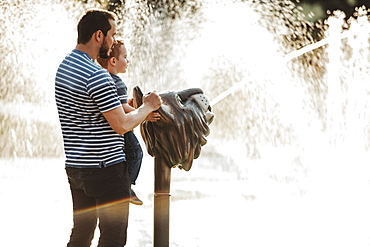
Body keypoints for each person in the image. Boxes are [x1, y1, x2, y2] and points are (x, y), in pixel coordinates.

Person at [55, 9, 162, 247]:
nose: (114, 40)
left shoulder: (64, 68)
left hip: (76, 168)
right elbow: (121, 125)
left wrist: (128, 108)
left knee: (81, 235)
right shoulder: (97, 75)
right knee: (113, 238)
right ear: (98, 36)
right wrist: (147, 107)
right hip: (106, 170)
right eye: (112, 35)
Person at [97, 40, 160, 205]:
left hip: (107, 134)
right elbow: (121, 107)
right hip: (121, 130)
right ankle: (126, 187)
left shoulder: (101, 78)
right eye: (125, 57)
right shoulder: (115, 81)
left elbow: (120, 105)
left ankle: (123, 185)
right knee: (136, 153)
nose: (128, 60)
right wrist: (144, 113)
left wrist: (131, 106)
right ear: (113, 61)